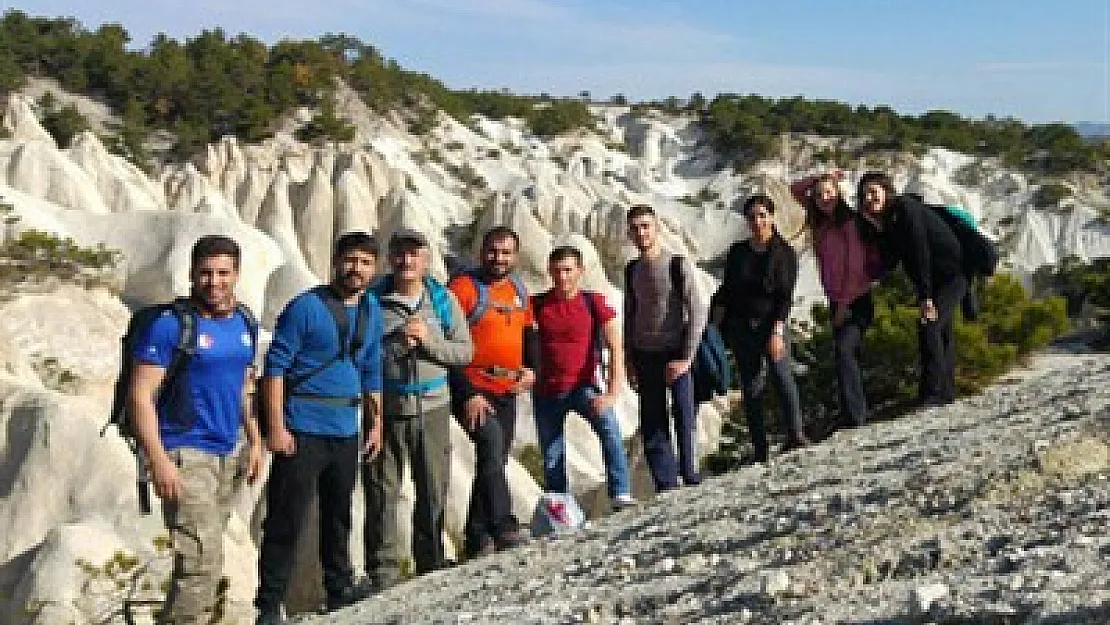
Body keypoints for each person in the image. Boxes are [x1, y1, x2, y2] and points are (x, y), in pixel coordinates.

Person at [129, 235, 264, 625]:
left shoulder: (245, 322)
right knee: (202, 562)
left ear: (236, 274)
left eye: (223, 273)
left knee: (198, 559)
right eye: (205, 273)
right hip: (183, 452)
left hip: (228, 453)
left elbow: (242, 386)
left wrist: (254, 440)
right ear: (191, 274)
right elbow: (141, 396)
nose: (214, 282)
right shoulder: (169, 327)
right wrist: (158, 460)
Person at [255, 232, 384, 623]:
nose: (355, 269)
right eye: (349, 260)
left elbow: (371, 368)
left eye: (364, 262)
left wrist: (375, 425)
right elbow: (275, 369)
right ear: (335, 262)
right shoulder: (305, 308)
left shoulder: (371, 309)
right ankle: (269, 602)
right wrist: (276, 427)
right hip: (302, 426)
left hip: (346, 427)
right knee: (286, 516)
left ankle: (339, 587)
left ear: (374, 268)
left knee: (338, 512)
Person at [363, 229, 472, 589]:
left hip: (434, 406)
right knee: (382, 491)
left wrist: (428, 342)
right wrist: (396, 344)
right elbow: (358, 353)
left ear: (425, 260)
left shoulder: (442, 300)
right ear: (390, 258)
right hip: (386, 409)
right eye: (400, 253)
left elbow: (464, 352)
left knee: (433, 487)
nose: (407, 261)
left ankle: (430, 561)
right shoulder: (372, 301)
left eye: (414, 254)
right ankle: (383, 571)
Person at [447, 226, 536, 557]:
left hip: (506, 388)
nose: (498, 258)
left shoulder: (517, 289)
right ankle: (503, 525)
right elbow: (446, 345)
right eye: (492, 251)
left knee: (494, 458)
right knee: (491, 444)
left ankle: (477, 536)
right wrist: (467, 393)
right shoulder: (463, 288)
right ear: (481, 252)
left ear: (515, 255)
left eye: (505, 252)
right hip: (471, 386)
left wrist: (532, 368)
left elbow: (529, 333)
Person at [532, 246, 636, 509]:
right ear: (549, 271)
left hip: (585, 387)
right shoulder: (537, 304)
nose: (562, 276)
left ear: (580, 271)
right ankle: (560, 508)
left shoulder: (593, 302)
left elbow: (615, 346)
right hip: (547, 390)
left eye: (568, 270)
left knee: (610, 430)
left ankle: (620, 492)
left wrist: (613, 393)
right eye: (557, 270)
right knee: (552, 453)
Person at [712, 194, 808, 463]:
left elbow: (785, 296)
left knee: (781, 375)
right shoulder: (738, 253)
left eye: (763, 215)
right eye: (752, 217)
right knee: (751, 387)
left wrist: (777, 330)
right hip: (742, 326)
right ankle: (760, 447)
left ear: (772, 217)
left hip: (771, 323)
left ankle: (795, 434)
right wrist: (714, 323)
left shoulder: (783, 253)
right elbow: (727, 290)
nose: (758, 222)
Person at [856, 171, 966, 407]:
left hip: (953, 274)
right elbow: (891, 259)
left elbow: (920, 249)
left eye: (874, 191)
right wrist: (877, 229)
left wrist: (925, 296)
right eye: (865, 194)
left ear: (887, 191)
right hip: (937, 278)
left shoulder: (906, 208)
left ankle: (933, 393)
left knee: (930, 325)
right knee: (941, 331)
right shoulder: (889, 222)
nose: (869, 197)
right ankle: (946, 393)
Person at [624, 204, 709, 491]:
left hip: (676, 350)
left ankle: (690, 473)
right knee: (652, 419)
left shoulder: (676, 264)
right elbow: (630, 313)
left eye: (645, 226)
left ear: (657, 227)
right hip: (644, 352)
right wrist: (628, 357)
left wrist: (686, 358)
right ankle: (666, 482)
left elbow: (697, 309)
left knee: (685, 413)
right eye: (635, 228)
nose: (641, 233)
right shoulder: (632, 269)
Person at [792, 172, 882, 428]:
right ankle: (851, 410)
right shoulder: (822, 223)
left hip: (856, 298)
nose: (824, 198)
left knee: (845, 350)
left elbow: (856, 268)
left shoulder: (850, 223)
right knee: (843, 352)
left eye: (829, 192)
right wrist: (821, 178)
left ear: (839, 193)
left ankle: (856, 414)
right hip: (836, 299)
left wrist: (843, 305)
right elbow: (795, 190)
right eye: (819, 195)